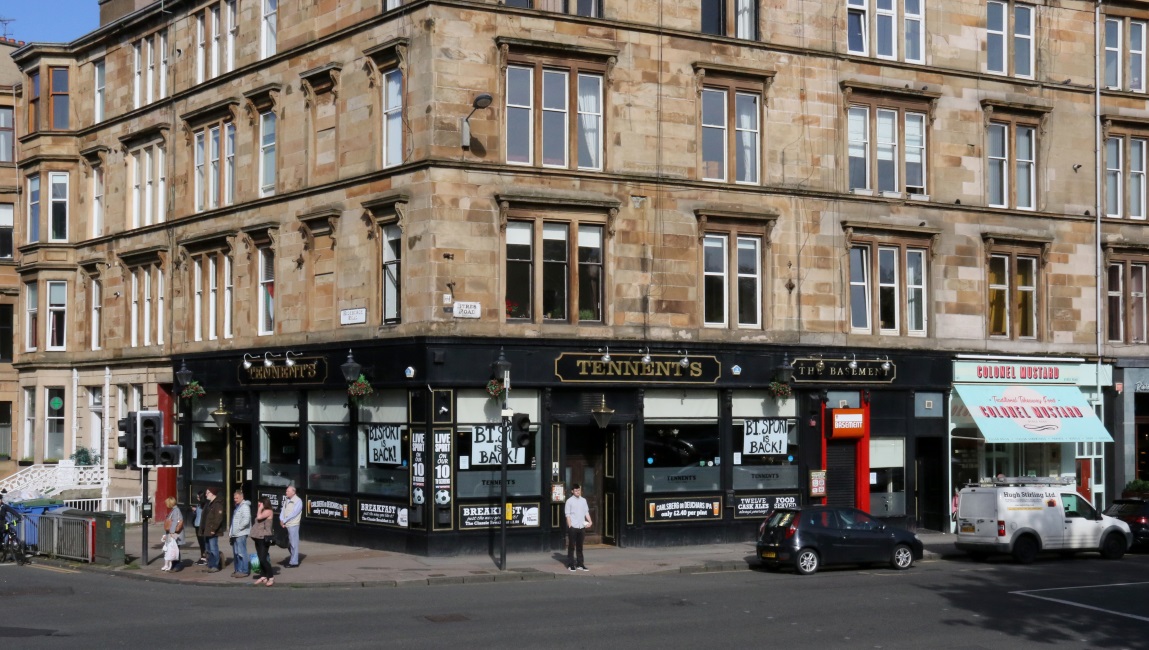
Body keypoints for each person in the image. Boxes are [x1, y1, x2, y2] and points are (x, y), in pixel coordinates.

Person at [564, 483, 592, 572]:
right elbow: (567, 514)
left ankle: (580, 564)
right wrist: (570, 525)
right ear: (572, 491)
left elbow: (586, 512)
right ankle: (570, 564)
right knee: (571, 546)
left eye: (578, 490)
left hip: (581, 526)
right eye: (576, 490)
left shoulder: (583, 500)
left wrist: (590, 521)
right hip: (573, 526)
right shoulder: (569, 501)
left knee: (580, 547)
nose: (577, 492)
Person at [250, 497, 275, 586]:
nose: (258, 504)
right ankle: (263, 576)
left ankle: (271, 577)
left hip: (264, 538)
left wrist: (260, 509)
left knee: (263, 559)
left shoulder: (268, 511)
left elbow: (259, 517)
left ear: (264, 503)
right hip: (257, 537)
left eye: (259, 503)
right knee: (260, 558)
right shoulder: (262, 510)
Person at [201, 487, 226, 573]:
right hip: (206, 530)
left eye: (208, 492)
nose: (206, 494)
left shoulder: (217, 504)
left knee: (213, 548)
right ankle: (210, 564)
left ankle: (215, 565)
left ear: (212, 493)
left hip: (212, 531)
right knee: (208, 549)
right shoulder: (209, 503)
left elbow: (218, 518)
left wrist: (213, 529)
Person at [229, 488, 252, 578]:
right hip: (235, 533)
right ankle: (238, 570)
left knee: (242, 553)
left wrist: (238, 529)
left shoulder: (245, 507)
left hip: (241, 533)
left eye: (237, 498)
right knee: (236, 553)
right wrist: (231, 532)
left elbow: (246, 520)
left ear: (242, 497)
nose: (235, 500)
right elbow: (234, 521)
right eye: (234, 498)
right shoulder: (238, 507)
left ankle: (244, 571)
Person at [279, 485, 302, 568]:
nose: (286, 493)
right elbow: (283, 510)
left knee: (293, 543)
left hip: (293, 524)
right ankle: (293, 559)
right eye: (286, 491)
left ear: (293, 492)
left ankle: (294, 562)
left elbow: (294, 513)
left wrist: (284, 520)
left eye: (288, 491)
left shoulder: (298, 501)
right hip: (286, 524)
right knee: (288, 544)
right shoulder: (287, 500)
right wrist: (281, 519)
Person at [162, 496, 184, 570]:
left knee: (175, 549)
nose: (166, 505)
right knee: (171, 548)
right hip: (171, 533)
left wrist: (171, 532)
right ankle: (172, 564)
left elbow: (175, 522)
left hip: (174, 534)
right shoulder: (174, 510)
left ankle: (177, 565)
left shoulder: (175, 510)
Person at [192, 491, 207, 566]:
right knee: (200, 543)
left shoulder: (204, 505)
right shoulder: (198, 505)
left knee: (203, 542)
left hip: (201, 526)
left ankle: (204, 557)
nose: (197, 498)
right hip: (197, 525)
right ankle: (202, 557)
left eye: (198, 497)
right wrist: (195, 511)